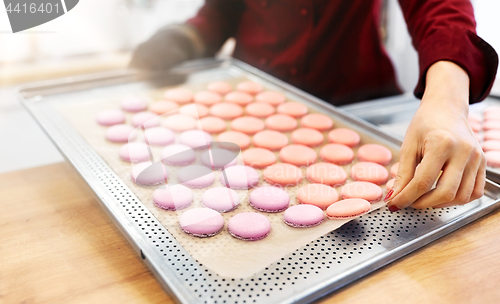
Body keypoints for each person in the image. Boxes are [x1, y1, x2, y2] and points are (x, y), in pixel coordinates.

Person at [130, 0, 498, 211]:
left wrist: (448, 102)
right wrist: (185, 37)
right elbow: (221, 12)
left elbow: (440, 10)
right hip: (256, 108)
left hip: (357, 108)